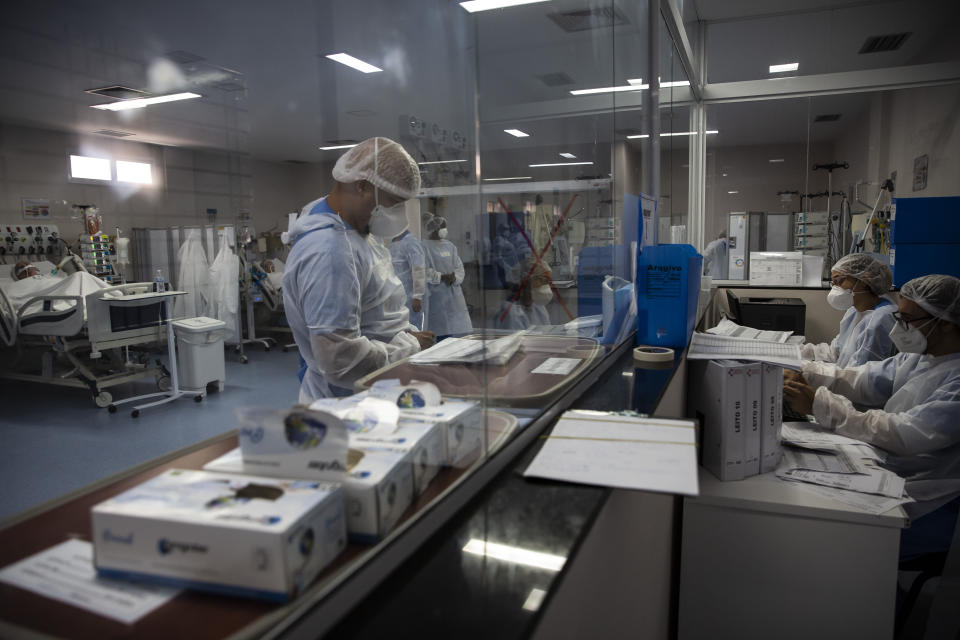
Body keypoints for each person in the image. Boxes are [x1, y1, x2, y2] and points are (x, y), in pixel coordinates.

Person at [783, 274, 960, 560]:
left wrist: (820, 405)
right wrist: (805, 372)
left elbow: (904, 434)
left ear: (947, 323)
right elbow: (865, 379)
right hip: (894, 469)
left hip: (929, 499)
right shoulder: (922, 357)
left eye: (907, 320)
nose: (898, 328)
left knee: (830, 539)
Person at [282, 137, 433, 402]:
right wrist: (409, 347)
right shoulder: (329, 251)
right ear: (363, 186)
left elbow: (373, 311)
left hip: (374, 388)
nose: (397, 214)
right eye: (394, 202)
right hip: (349, 401)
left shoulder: (351, 227)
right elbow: (340, 359)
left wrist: (404, 335)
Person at [800, 253, 897, 368]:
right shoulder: (854, 312)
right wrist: (797, 351)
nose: (835, 288)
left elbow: (859, 374)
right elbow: (835, 352)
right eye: (833, 283)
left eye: (839, 281)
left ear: (863, 280)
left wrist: (808, 369)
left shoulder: (881, 319)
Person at [423, 214, 472, 338]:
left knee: (458, 329)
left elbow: (459, 267)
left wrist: (454, 277)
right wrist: (441, 277)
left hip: (454, 295)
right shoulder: (424, 247)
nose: (445, 230)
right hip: (436, 296)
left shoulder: (450, 246)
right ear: (435, 229)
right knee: (439, 329)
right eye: (443, 227)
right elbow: (423, 271)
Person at [389, 229, 427, 330]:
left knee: (413, 330)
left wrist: (417, 297)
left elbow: (418, 269)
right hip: (397, 295)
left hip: (410, 297)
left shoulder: (411, 242)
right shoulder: (393, 242)